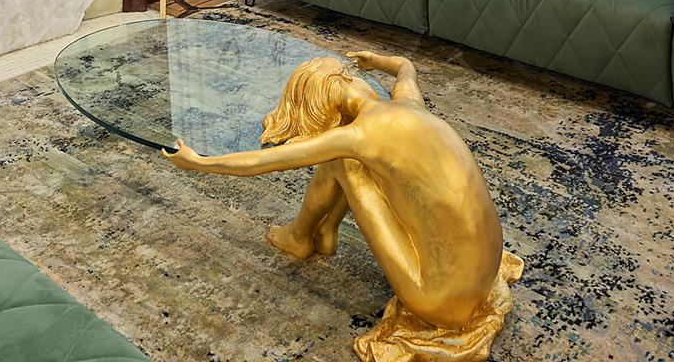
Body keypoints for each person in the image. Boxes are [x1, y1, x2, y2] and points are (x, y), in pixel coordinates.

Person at [167, 50, 522, 361]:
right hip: (484, 268)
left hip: (440, 300)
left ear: (324, 109)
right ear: (348, 79)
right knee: (353, 160)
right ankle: (323, 232)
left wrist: (198, 162)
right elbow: (406, 67)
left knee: (342, 161)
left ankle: (301, 236)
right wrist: (375, 61)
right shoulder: (407, 101)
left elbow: (260, 163)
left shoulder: (358, 135)